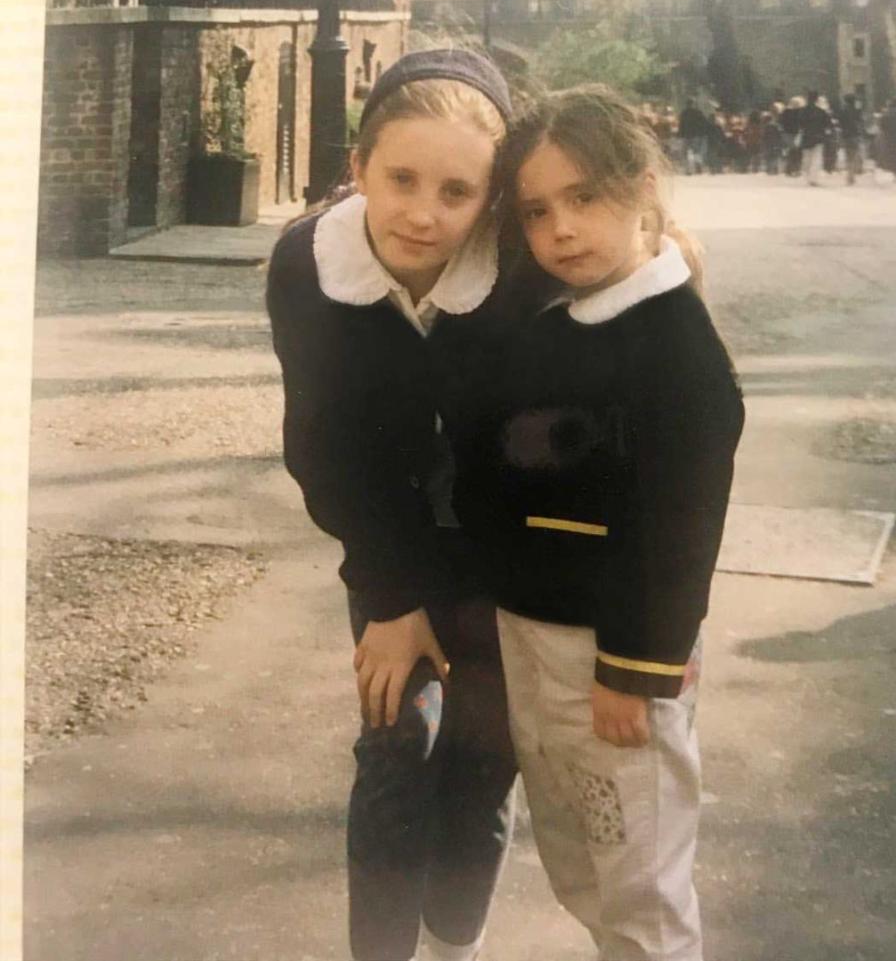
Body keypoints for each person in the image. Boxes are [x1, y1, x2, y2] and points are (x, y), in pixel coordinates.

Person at [447, 89, 745, 961]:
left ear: (642, 188)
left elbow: (679, 533)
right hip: (532, 634)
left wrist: (634, 666)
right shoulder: (560, 316)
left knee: (640, 879)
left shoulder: (674, 348)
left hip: (609, 660)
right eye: (538, 210)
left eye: (584, 198)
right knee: (583, 857)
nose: (562, 228)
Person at [266, 49, 519, 961]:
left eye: (457, 191)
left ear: (491, 199)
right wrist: (392, 597)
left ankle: (456, 946)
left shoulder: (517, 276)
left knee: (484, 765)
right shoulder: (311, 263)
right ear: (359, 166)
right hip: (391, 539)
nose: (423, 211)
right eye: (401, 178)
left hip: (507, 549)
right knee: (394, 746)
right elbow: (324, 445)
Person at [798, 89, 829, 185]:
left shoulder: (802, 111)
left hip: (806, 136)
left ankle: (807, 175)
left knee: (807, 157)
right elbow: (826, 124)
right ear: (816, 99)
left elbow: (800, 123)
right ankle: (813, 178)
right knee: (816, 158)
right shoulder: (821, 112)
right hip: (818, 136)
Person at [836, 93, 865, 185]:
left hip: (846, 135)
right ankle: (852, 175)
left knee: (849, 155)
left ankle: (850, 175)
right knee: (855, 154)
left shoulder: (842, 110)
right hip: (855, 134)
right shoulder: (856, 110)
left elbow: (839, 122)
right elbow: (861, 121)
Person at [678, 97, 708, 174]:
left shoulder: (683, 113)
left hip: (686, 135)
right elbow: (703, 123)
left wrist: (680, 134)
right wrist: (702, 133)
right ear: (693, 104)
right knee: (696, 152)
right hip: (696, 135)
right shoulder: (697, 112)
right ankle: (698, 167)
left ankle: (688, 170)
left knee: (685, 153)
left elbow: (681, 125)